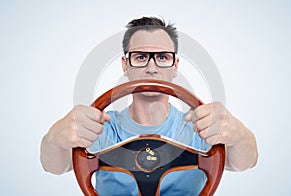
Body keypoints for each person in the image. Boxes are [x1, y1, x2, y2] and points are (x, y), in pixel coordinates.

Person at [40, 16, 258, 195]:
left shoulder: (200, 125)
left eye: (162, 57)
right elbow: (54, 166)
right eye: (141, 57)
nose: (152, 68)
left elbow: (245, 162)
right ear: (125, 65)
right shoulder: (100, 127)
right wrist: (54, 138)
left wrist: (239, 135)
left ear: (175, 66)